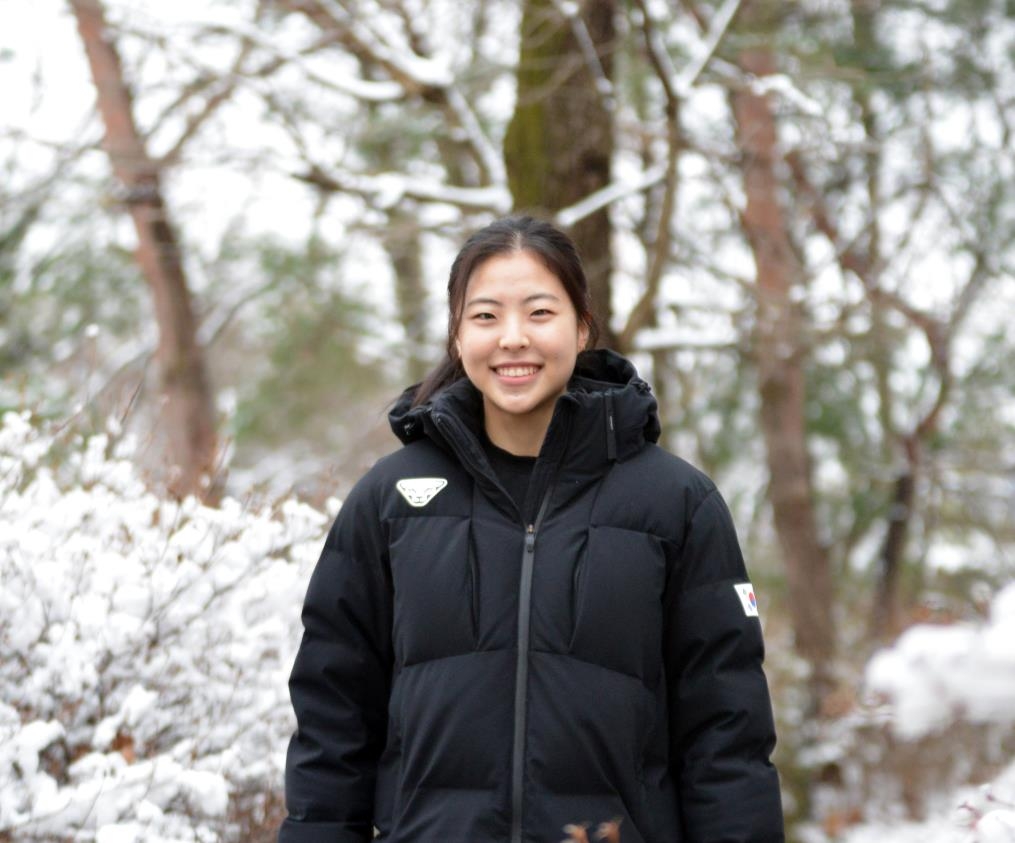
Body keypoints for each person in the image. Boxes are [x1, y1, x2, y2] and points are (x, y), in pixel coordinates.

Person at [279, 216, 784, 843]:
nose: (512, 339)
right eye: (486, 316)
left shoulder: (677, 504)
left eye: (539, 313)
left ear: (581, 327)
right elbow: (333, 720)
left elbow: (727, 739)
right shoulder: (390, 501)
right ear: (457, 335)